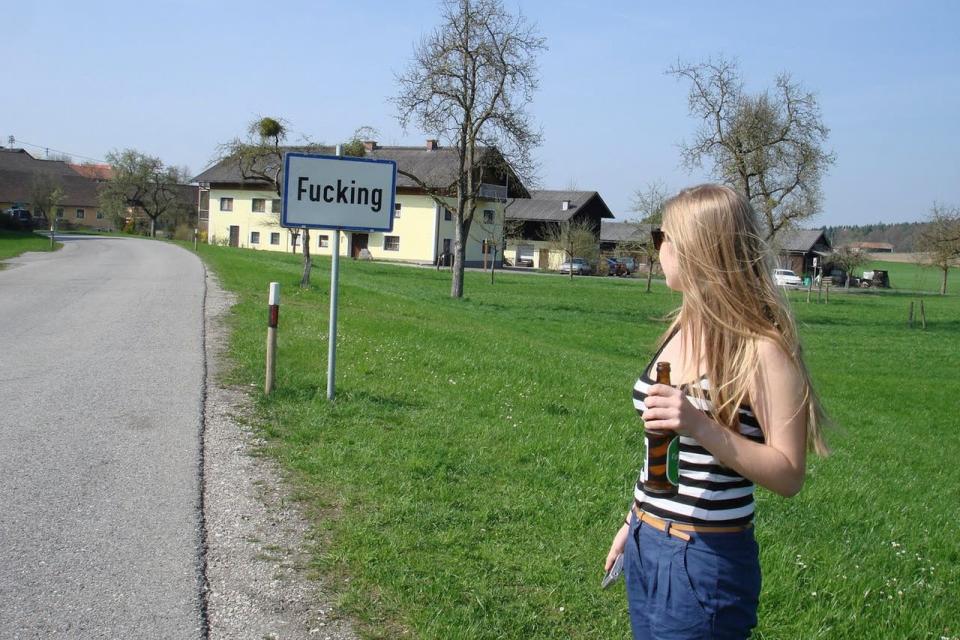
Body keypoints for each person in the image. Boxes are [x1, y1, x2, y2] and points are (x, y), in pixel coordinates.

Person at [603, 184, 829, 639]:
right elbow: (661, 443)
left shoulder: (762, 349)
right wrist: (634, 520)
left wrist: (700, 425)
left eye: (662, 238)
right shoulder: (681, 328)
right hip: (649, 542)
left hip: (703, 558)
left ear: (699, 250)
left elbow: (789, 475)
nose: (657, 250)